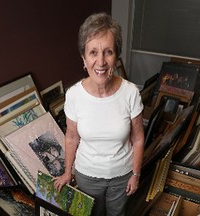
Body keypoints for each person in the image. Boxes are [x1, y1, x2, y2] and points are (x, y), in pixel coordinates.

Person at [53, 12, 144, 216]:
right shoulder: (74, 95)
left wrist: (135, 174)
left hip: (122, 176)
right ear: (84, 58)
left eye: (108, 52)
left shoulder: (130, 93)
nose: (101, 62)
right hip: (87, 176)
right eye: (93, 52)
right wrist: (68, 172)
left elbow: (137, 138)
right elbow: (72, 137)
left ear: (116, 56)